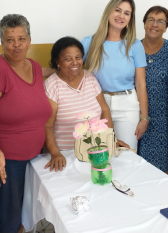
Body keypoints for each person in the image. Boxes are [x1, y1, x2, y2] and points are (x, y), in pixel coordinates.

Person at [0, 14, 52, 233]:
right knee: (10, 219)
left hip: (36, 156)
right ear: (2, 43)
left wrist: (64, 70)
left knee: (29, 214)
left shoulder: (35, 67)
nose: (16, 45)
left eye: (21, 38)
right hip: (7, 161)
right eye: (10, 40)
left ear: (29, 41)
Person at [43, 37, 129, 171]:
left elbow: (105, 110)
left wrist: (111, 139)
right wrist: (55, 153)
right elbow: (47, 126)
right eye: (68, 59)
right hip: (66, 153)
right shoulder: (52, 85)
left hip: (96, 149)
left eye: (78, 57)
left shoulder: (90, 78)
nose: (75, 62)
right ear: (57, 62)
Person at [81, 0, 148, 150]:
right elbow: (70, 68)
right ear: (108, 12)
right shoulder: (89, 42)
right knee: (99, 153)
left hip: (127, 105)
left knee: (127, 155)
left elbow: (140, 83)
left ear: (130, 19)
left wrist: (144, 118)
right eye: (117, 10)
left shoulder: (135, 45)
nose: (121, 16)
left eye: (127, 13)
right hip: (96, 103)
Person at [138, 6, 168, 182]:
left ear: (166, 26)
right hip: (137, 114)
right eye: (151, 20)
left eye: (160, 21)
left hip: (164, 116)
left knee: (167, 166)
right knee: (137, 164)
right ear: (144, 23)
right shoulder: (133, 48)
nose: (155, 25)